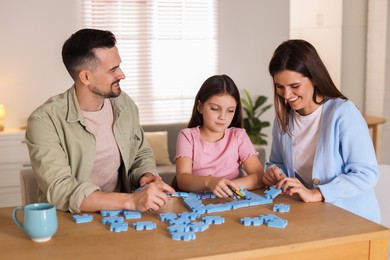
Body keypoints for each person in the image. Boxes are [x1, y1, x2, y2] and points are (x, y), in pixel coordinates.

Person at [25, 28, 175, 213]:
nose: (122, 74)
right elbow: (61, 190)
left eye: (119, 66)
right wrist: (130, 201)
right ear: (86, 77)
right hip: (72, 219)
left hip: (123, 215)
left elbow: (140, 153)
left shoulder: (125, 104)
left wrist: (146, 175)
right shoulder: (44, 121)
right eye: (113, 69)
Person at [264, 39, 381, 223]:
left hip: (353, 221)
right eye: (280, 86)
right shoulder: (283, 120)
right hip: (310, 218)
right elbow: (276, 162)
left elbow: (366, 174)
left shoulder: (343, 113)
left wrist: (317, 193)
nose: (286, 95)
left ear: (315, 78)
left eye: (294, 86)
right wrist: (274, 171)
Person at [175, 74, 264, 197]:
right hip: (198, 204)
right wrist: (209, 182)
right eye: (215, 108)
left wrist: (225, 186)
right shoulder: (187, 136)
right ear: (200, 107)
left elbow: (259, 178)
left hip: (231, 201)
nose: (223, 117)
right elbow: (183, 180)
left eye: (230, 110)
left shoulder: (238, 136)